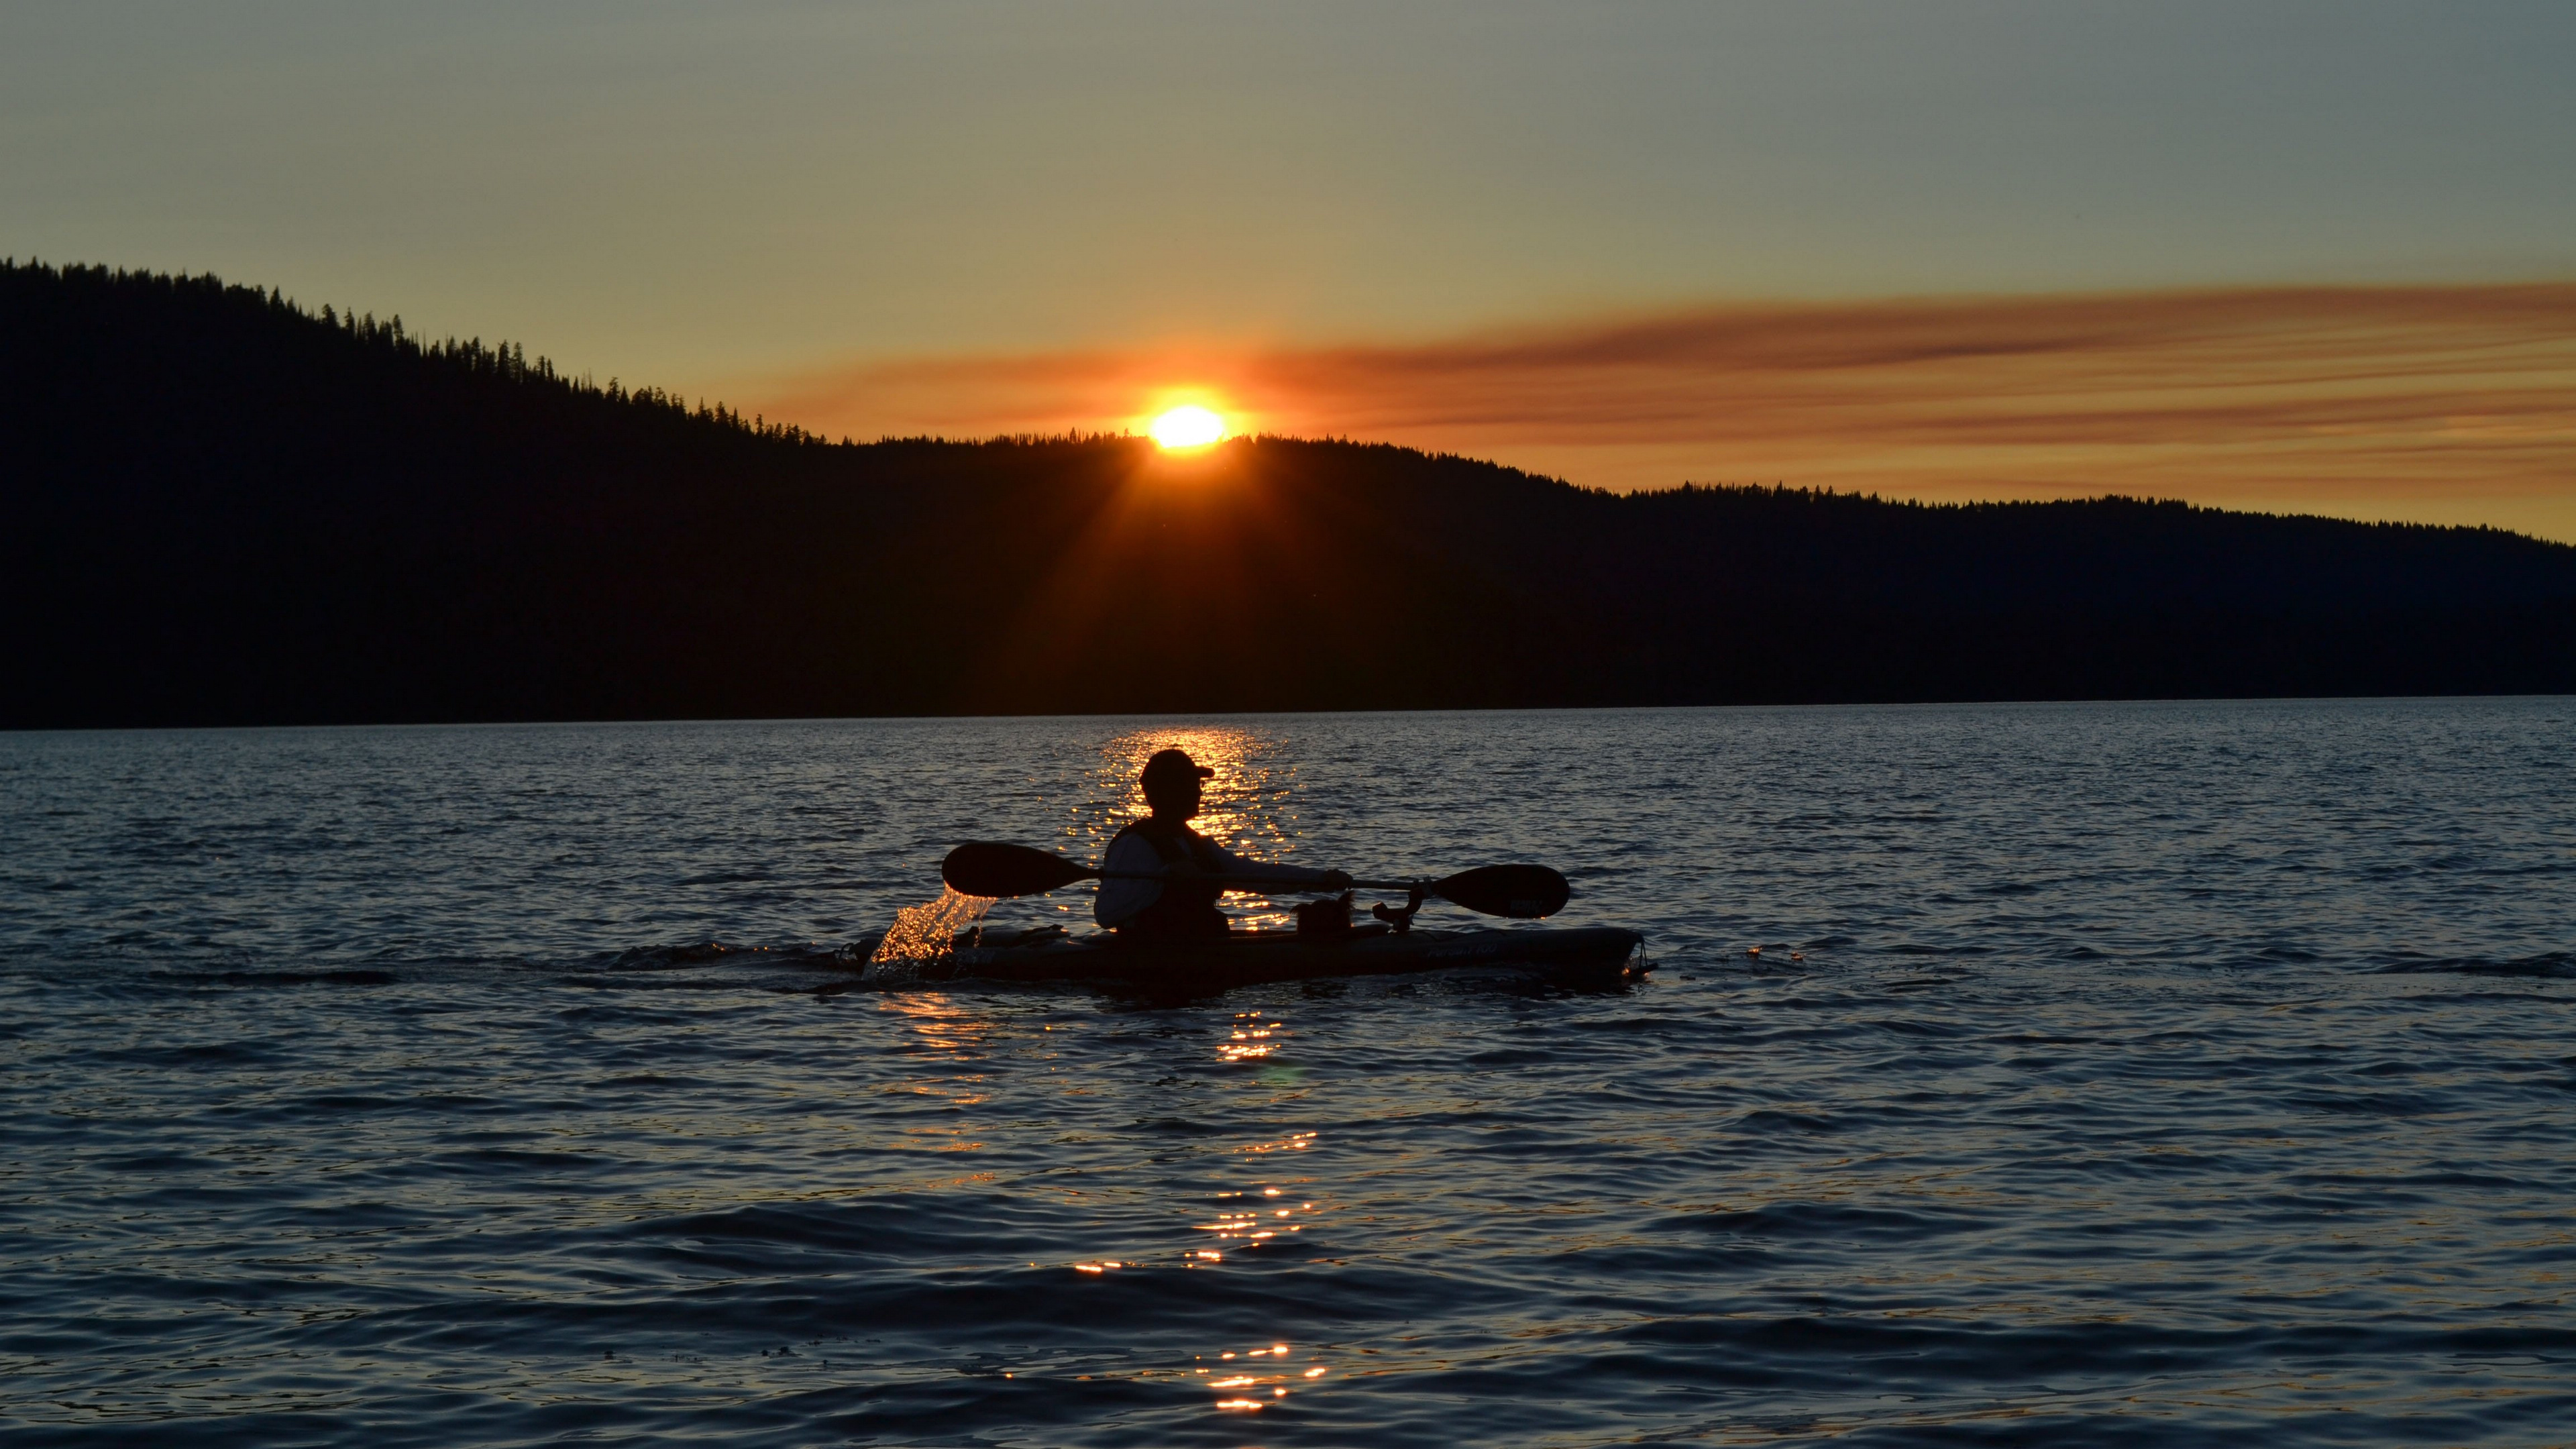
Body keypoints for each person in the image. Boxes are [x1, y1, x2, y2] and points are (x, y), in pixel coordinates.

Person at [1095, 748, 1350, 939]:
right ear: (1166, 792)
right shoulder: (1134, 845)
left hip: (1199, 949)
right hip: (1154, 957)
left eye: (1197, 785)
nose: (1199, 793)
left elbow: (1252, 875)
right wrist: (1164, 878)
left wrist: (1320, 878)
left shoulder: (1197, 844)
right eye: (1190, 785)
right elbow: (1106, 914)